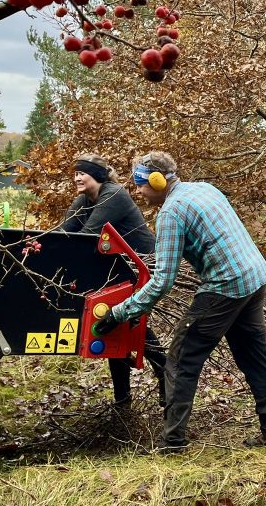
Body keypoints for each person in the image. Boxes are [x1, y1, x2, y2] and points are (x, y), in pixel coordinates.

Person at [94, 151, 266, 451]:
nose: (139, 192)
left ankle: (173, 442)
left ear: (157, 181)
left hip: (225, 286)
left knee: (181, 360)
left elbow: (163, 281)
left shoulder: (171, 212)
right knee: (255, 356)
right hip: (254, 277)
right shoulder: (204, 188)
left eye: (141, 185)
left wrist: (120, 312)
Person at [61, 154, 167, 406]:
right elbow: (65, 233)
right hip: (116, 268)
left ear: (96, 175)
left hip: (141, 267)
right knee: (115, 325)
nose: (76, 178)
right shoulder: (84, 199)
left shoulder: (113, 195)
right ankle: (124, 398)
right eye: (75, 173)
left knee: (129, 323)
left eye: (82, 173)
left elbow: (88, 236)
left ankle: (165, 375)